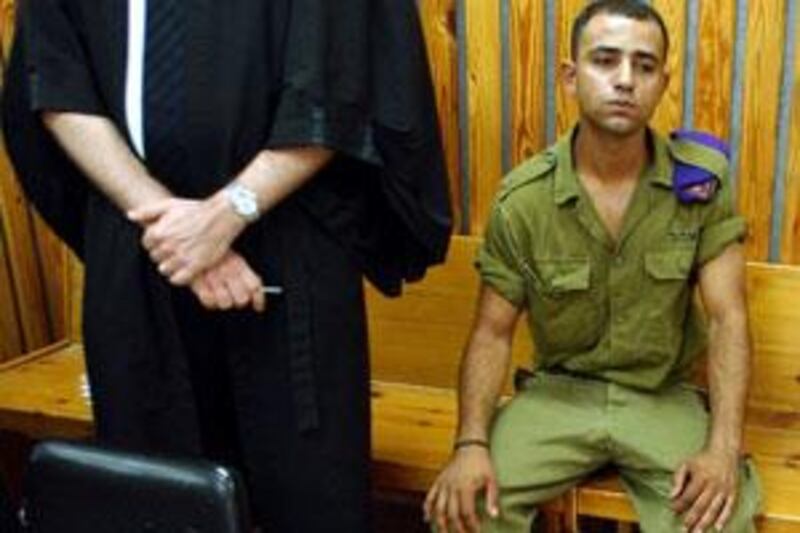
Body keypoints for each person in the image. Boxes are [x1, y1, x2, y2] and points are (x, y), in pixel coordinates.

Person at [3, 0, 451, 530]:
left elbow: (340, 88)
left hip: (288, 243)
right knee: (154, 491)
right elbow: (55, 84)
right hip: (141, 246)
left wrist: (229, 211)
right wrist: (172, 228)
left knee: (306, 493)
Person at [423, 1, 760, 531]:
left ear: (663, 81)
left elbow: (728, 319)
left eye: (644, 66)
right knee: (465, 510)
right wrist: (470, 444)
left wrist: (722, 448)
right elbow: (491, 333)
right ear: (570, 76)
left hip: (661, 397)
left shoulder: (700, 185)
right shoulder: (525, 200)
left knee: (718, 517)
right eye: (605, 60)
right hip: (559, 394)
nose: (625, 79)